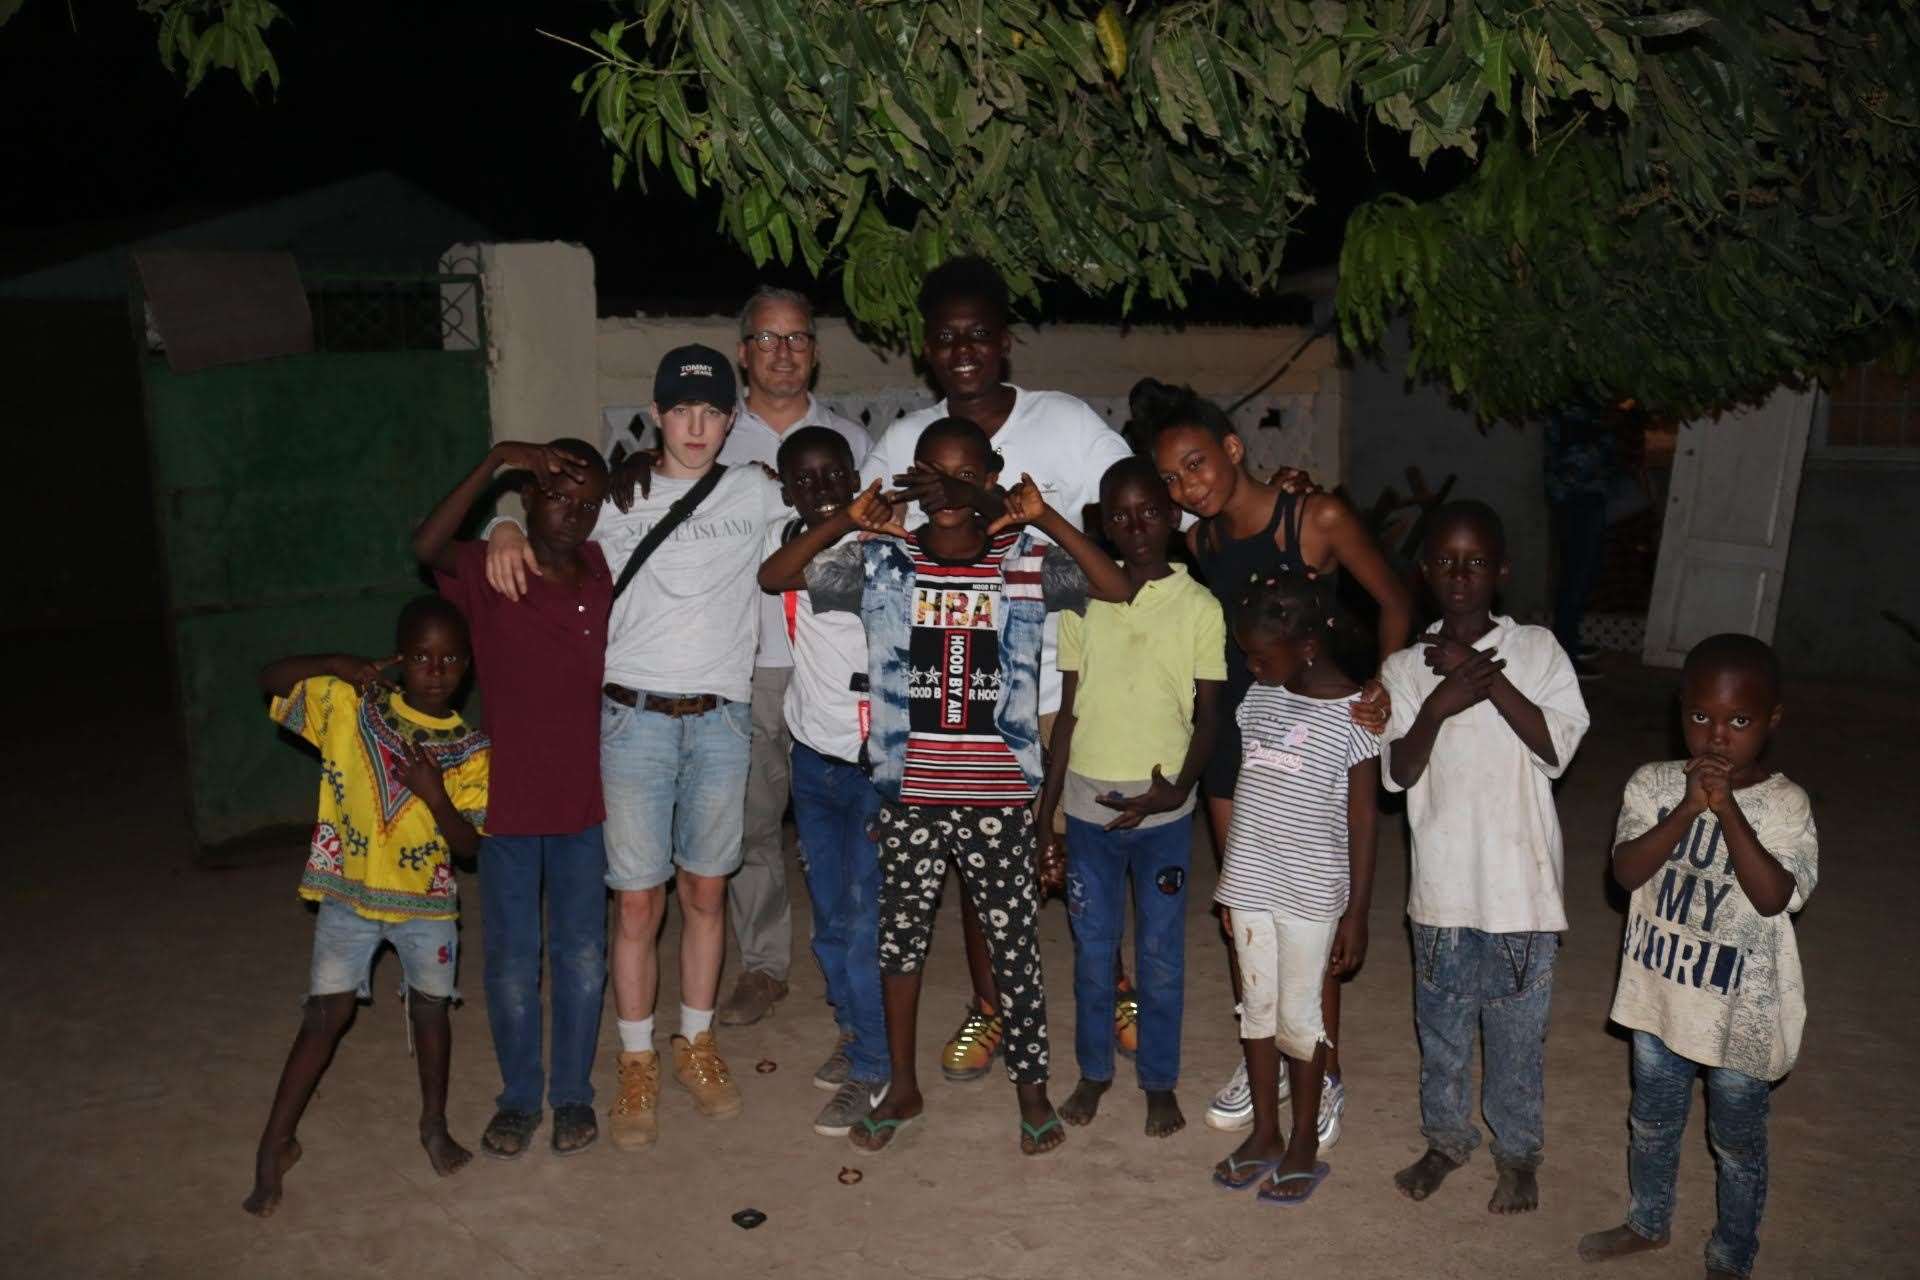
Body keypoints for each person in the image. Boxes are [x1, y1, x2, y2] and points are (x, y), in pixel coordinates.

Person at [761, 416, 1134, 1155]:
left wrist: (1039, 513)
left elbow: (1114, 584)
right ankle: (901, 1085)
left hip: (998, 791)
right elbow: (777, 577)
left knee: (1015, 944)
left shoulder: (1024, 558)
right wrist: (850, 518)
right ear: (915, 483)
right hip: (910, 791)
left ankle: (1031, 1087)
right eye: (934, 473)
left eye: (967, 474)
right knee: (900, 945)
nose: (950, 489)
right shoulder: (883, 561)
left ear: (991, 474)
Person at [486, 345, 793, 1151]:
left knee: (704, 892)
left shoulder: (754, 492)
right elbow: (542, 517)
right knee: (636, 901)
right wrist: (504, 521)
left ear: (733, 420)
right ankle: (634, 1062)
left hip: (722, 720)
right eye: (681, 411)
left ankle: (694, 1045)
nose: (696, 427)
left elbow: (827, 516)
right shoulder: (614, 500)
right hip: (631, 722)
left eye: (713, 412)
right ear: (655, 415)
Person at [859, 255, 1136, 1084]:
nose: (965, 351)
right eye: (947, 338)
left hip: (1066, 681)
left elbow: (1133, 508)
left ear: (1006, 341)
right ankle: (989, 1007)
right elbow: (863, 538)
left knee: (1085, 851)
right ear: (926, 349)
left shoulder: (1066, 423)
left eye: (980, 335)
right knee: (987, 872)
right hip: (960, 704)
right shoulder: (906, 441)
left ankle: (1113, 983)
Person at [1143, 380, 1411, 1140]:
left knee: (1312, 911)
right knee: (1246, 911)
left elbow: (1393, 598)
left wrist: (1383, 687)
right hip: (1238, 734)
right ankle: (1262, 1051)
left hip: (1310, 739)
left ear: (1233, 450)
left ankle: (1322, 1072)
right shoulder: (1200, 544)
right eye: (1171, 477)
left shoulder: (1313, 515)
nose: (1185, 486)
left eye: (1195, 465)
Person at [609, 290, 873, 1029]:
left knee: (844, 826)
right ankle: (764, 964)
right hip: (745, 665)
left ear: (815, 350)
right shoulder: (716, 435)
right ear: (743, 353)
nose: (783, 352)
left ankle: (854, 958)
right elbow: (640, 497)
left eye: (797, 338)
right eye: (767, 338)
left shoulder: (851, 439)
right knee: (753, 830)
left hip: (837, 669)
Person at [1578, 634, 1817, 1280]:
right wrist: (1688, 807)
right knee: (1651, 1123)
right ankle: (1647, 1221)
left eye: (1739, 721)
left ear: (1772, 720)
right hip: (1661, 998)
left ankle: (1731, 1252)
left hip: (1741, 1016)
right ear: (1679, 709)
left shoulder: (1785, 805)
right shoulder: (1652, 784)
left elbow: (1773, 897)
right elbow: (1624, 873)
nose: (1717, 737)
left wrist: (1728, 811)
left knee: (1735, 1143)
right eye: (1702, 717)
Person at [243, 597, 490, 1217]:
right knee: (323, 1018)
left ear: (469, 666)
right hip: (348, 898)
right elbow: (269, 680)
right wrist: (334, 662)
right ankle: (274, 1145)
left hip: (427, 906)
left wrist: (434, 795)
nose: (436, 670)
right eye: (422, 657)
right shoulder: (352, 706)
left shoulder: (469, 748)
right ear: (400, 658)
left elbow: (469, 846)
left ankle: (433, 1125)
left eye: (451, 659)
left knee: (432, 1013)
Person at [1379, 500, 1590, 1214]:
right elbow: (1400, 772)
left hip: (1520, 893)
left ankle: (1519, 1152)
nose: (1460, 575)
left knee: (1516, 1036)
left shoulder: (1536, 651)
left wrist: (1486, 677)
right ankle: (1445, 1139)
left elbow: (1554, 745)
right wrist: (1440, 702)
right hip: (1441, 890)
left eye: (1476, 562)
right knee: (1440, 1031)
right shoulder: (1404, 669)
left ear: (1501, 570)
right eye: (1445, 561)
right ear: (1424, 571)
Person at [413, 437, 613, 1159]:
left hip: (583, 807)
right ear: (527, 496)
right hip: (501, 807)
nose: (571, 512)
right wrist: (495, 463)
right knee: (509, 960)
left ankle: (573, 1097)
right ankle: (519, 1098)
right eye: (557, 494)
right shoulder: (491, 568)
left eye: (587, 502)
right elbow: (428, 543)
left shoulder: (597, 570)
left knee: (583, 957)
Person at [1033, 457, 1227, 1139]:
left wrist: (1179, 786)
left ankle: (1159, 1081)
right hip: (1088, 808)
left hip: (1165, 814)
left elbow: (1209, 716)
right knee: (1092, 949)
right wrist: (1044, 817)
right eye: (1119, 515)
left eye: (1149, 512)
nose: (1135, 527)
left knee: (1163, 954)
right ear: (1102, 524)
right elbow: (1070, 713)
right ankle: (1093, 1073)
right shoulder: (1082, 598)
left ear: (1173, 517)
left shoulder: (1200, 607)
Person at [1208, 578, 1380, 1205]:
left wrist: (1357, 913)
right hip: (1251, 882)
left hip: (1311, 892)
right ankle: (1266, 1133)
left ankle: (1305, 1140)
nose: (1251, 667)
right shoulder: (1260, 696)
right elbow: (1249, 794)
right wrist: (1230, 889)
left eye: (1260, 655)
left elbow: (1364, 822)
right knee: (1256, 1011)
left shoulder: (1356, 715)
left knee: (1300, 1019)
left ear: (1306, 645)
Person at [764, 425, 890, 1136]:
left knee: (866, 919)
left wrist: (853, 521)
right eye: (803, 479)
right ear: (786, 489)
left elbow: (782, 579)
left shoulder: (876, 548)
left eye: (832, 474)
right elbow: (778, 569)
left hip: (874, 765)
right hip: (813, 759)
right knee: (832, 918)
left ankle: (876, 1063)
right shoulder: (795, 533)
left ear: (854, 474)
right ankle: (853, 1028)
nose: (819, 489)